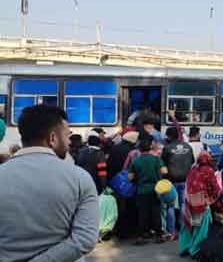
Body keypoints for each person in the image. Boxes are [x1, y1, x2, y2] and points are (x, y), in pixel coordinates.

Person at [0, 105, 99, 261]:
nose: (69, 143)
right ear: (52, 138)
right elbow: (85, 239)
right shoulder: (80, 178)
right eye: (67, 136)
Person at [179, 151, 223, 259]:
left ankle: (184, 248)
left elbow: (188, 184)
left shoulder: (193, 170)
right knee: (201, 228)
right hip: (202, 203)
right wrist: (216, 197)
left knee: (188, 225)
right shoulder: (209, 170)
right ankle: (195, 249)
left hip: (189, 202)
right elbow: (215, 187)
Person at [128, 134, 168, 245]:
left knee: (142, 214)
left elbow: (130, 177)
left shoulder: (136, 161)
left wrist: (138, 177)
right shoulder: (156, 159)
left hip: (141, 190)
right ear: (150, 148)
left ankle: (141, 237)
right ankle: (159, 236)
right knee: (156, 213)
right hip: (155, 190)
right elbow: (165, 171)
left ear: (139, 149)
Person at [162, 127, 195, 239]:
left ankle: (171, 231)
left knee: (170, 206)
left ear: (169, 136)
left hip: (171, 181)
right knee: (183, 205)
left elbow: (163, 164)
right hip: (185, 180)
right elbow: (192, 161)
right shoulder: (188, 146)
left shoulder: (167, 148)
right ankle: (182, 229)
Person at [106, 130, 139, 239]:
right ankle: (128, 231)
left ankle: (118, 229)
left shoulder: (115, 148)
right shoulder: (132, 151)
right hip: (128, 183)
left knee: (118, 206)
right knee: (129, 207)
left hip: (115, 181)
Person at [77, 130, 109, 194]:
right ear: (98, 142)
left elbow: (78, 166)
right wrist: (104, 186)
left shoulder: (82, 152)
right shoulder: (100, 154)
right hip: (95, 184)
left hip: (82, 183)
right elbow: (102, 172)